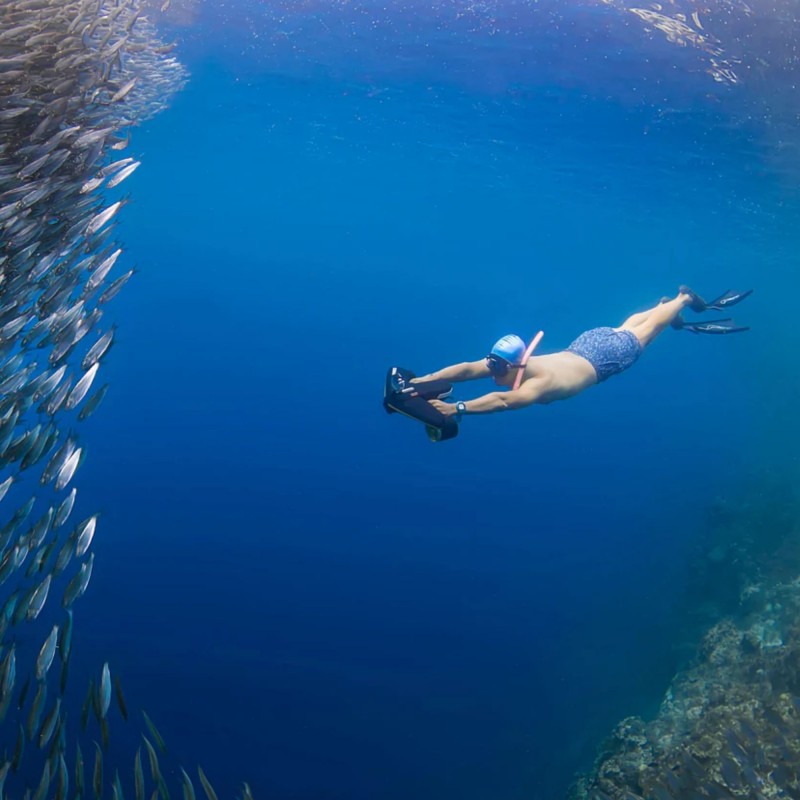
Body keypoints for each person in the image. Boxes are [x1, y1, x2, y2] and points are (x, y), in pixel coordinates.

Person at [410, 286, 753, 420]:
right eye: (492, 362)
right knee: (626, 328)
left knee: (643, 334)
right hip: (586, 345)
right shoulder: (510, 364)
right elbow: (469, 369)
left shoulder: (538, 383)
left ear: (516, 362)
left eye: (498, 365)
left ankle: (681, 300)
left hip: (604, 357)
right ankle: (665, 309)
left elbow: (503, 401)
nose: (492, 369)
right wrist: (426, 379)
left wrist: (457, 407)